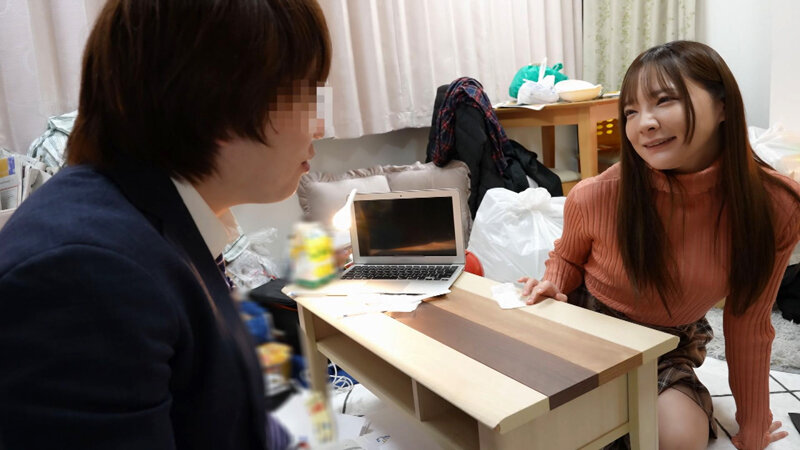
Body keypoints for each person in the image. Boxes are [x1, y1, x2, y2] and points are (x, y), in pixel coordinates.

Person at [0, 0, 330, 449]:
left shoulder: (155, 219)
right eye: (307, 97)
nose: (320, 126)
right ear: (218, 102)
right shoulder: (86, 274)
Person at [519, 41, 800, 450]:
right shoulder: (596, 194)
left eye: (664, 100)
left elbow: (749, 323)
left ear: (722, 105)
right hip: (587, 325)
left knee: (679, 439)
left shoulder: (775, 205)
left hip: (664, 344)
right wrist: (553, 285)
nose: (644, 124)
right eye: (631, 111)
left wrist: (753, 423)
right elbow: (567, 258)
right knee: (531, 420)